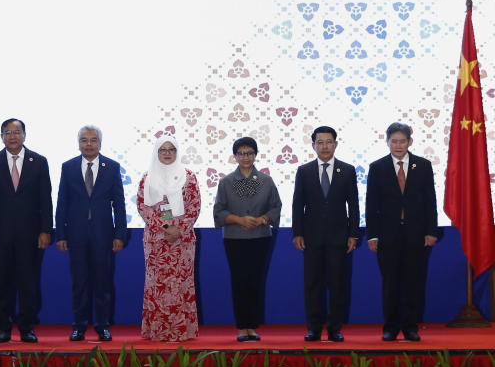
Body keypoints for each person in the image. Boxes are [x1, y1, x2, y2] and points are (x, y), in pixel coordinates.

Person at [0, 118, 52, 343]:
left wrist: (45, 230)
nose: (12, 136)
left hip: (30, 235)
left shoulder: (39, 161)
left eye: (16, 132)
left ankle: (27, 327)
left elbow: (45, 199)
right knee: (3, 283)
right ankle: (3, 327)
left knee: (28, 283)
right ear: (2, 136)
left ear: (24, 135)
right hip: (0, 235)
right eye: (8, 132)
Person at [365, 122, 438, 342]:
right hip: (388, 236)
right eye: (394, 141)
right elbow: (372, 204)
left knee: (413, 282)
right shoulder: (377, 167)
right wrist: (373, 235)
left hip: (416, 234)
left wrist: (431, 231)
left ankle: (410, 327)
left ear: (410, 142)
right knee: (390, 284)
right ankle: (390, 327)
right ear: (387, 142)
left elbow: (430, 202)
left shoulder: (423, 166)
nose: (398, 145)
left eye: (402, 141)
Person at [55, 125, 126, 342]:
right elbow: (62, 203)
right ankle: (79, 326)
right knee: (79, 283)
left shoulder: (112, 167)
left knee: (103, 282)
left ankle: (103, 326)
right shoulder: (68, 167)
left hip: (103, 236)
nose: (88, 144)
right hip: (75, 235)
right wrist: (61, 235)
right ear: (78, 143)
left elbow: (119, 204)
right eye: (84, 140)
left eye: (93, 140)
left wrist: (120, 235)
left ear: (100, 143)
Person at [292, 126, 360, 342]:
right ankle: (313, 328)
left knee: (338, 284)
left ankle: (334, 329)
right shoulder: (304, 171)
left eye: (328, 142)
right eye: (320, 142)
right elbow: (297, 205)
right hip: (311, 238)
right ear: (313, 145)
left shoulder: (347, 170)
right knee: (312, 284)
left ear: (336, 144)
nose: (324, 146)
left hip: (339, 238)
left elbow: (354, 206)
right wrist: (297, 233)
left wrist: (353, 234)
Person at [214, 136, 282, 342]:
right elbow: (219, 211)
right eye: (242, 153)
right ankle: (242, 327)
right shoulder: (226, 182)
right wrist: (239, 219)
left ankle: (252, 326)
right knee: (239, 281)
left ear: (255, 155)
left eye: (250, 153)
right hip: (235, 238)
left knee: (255, 281)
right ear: (235, 156)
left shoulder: (265, 180)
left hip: (260, 237)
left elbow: (276, 207)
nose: (246, 157)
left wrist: (263, 219)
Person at [136, 133, 200, 342]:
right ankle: (157, 331)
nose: (166, 154)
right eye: (162, 150)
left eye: (171, 149)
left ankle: (183, 331)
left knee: (180, 283)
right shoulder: (148, 177)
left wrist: (178, 229)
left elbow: (194, 207)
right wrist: (165, 226)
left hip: (182, 241)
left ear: (177, 152)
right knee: (158, 285)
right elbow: (143, 206)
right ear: (156, 152)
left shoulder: (188, 176)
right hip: (156, 240)